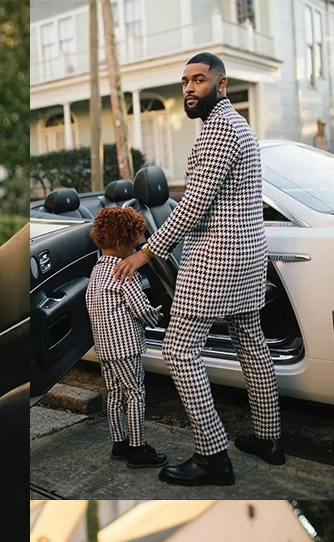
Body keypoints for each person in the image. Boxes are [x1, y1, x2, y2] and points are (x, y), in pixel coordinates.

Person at [114, 52, 282, 487]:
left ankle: (212, 455)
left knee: (178, 350)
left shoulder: (219, 130)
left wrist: (145, 251)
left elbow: (192, 206)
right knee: (252, 344)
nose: (189, 88)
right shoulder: (236, 127)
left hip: (218, 262)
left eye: (200, 80)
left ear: (221, 85)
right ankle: (269, 439)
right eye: (185, 81)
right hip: (247, 259)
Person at [85, 207, 166, 469]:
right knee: (135, 394)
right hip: (126, 347)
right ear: (121, 244)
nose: (136, 248)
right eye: (134, 243)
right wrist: (157, 316)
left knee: (114, 394)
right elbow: (140, 309)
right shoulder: (124, 273)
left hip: (105, 348)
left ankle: (118, 443)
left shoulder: (96, 273)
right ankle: (137, 448)